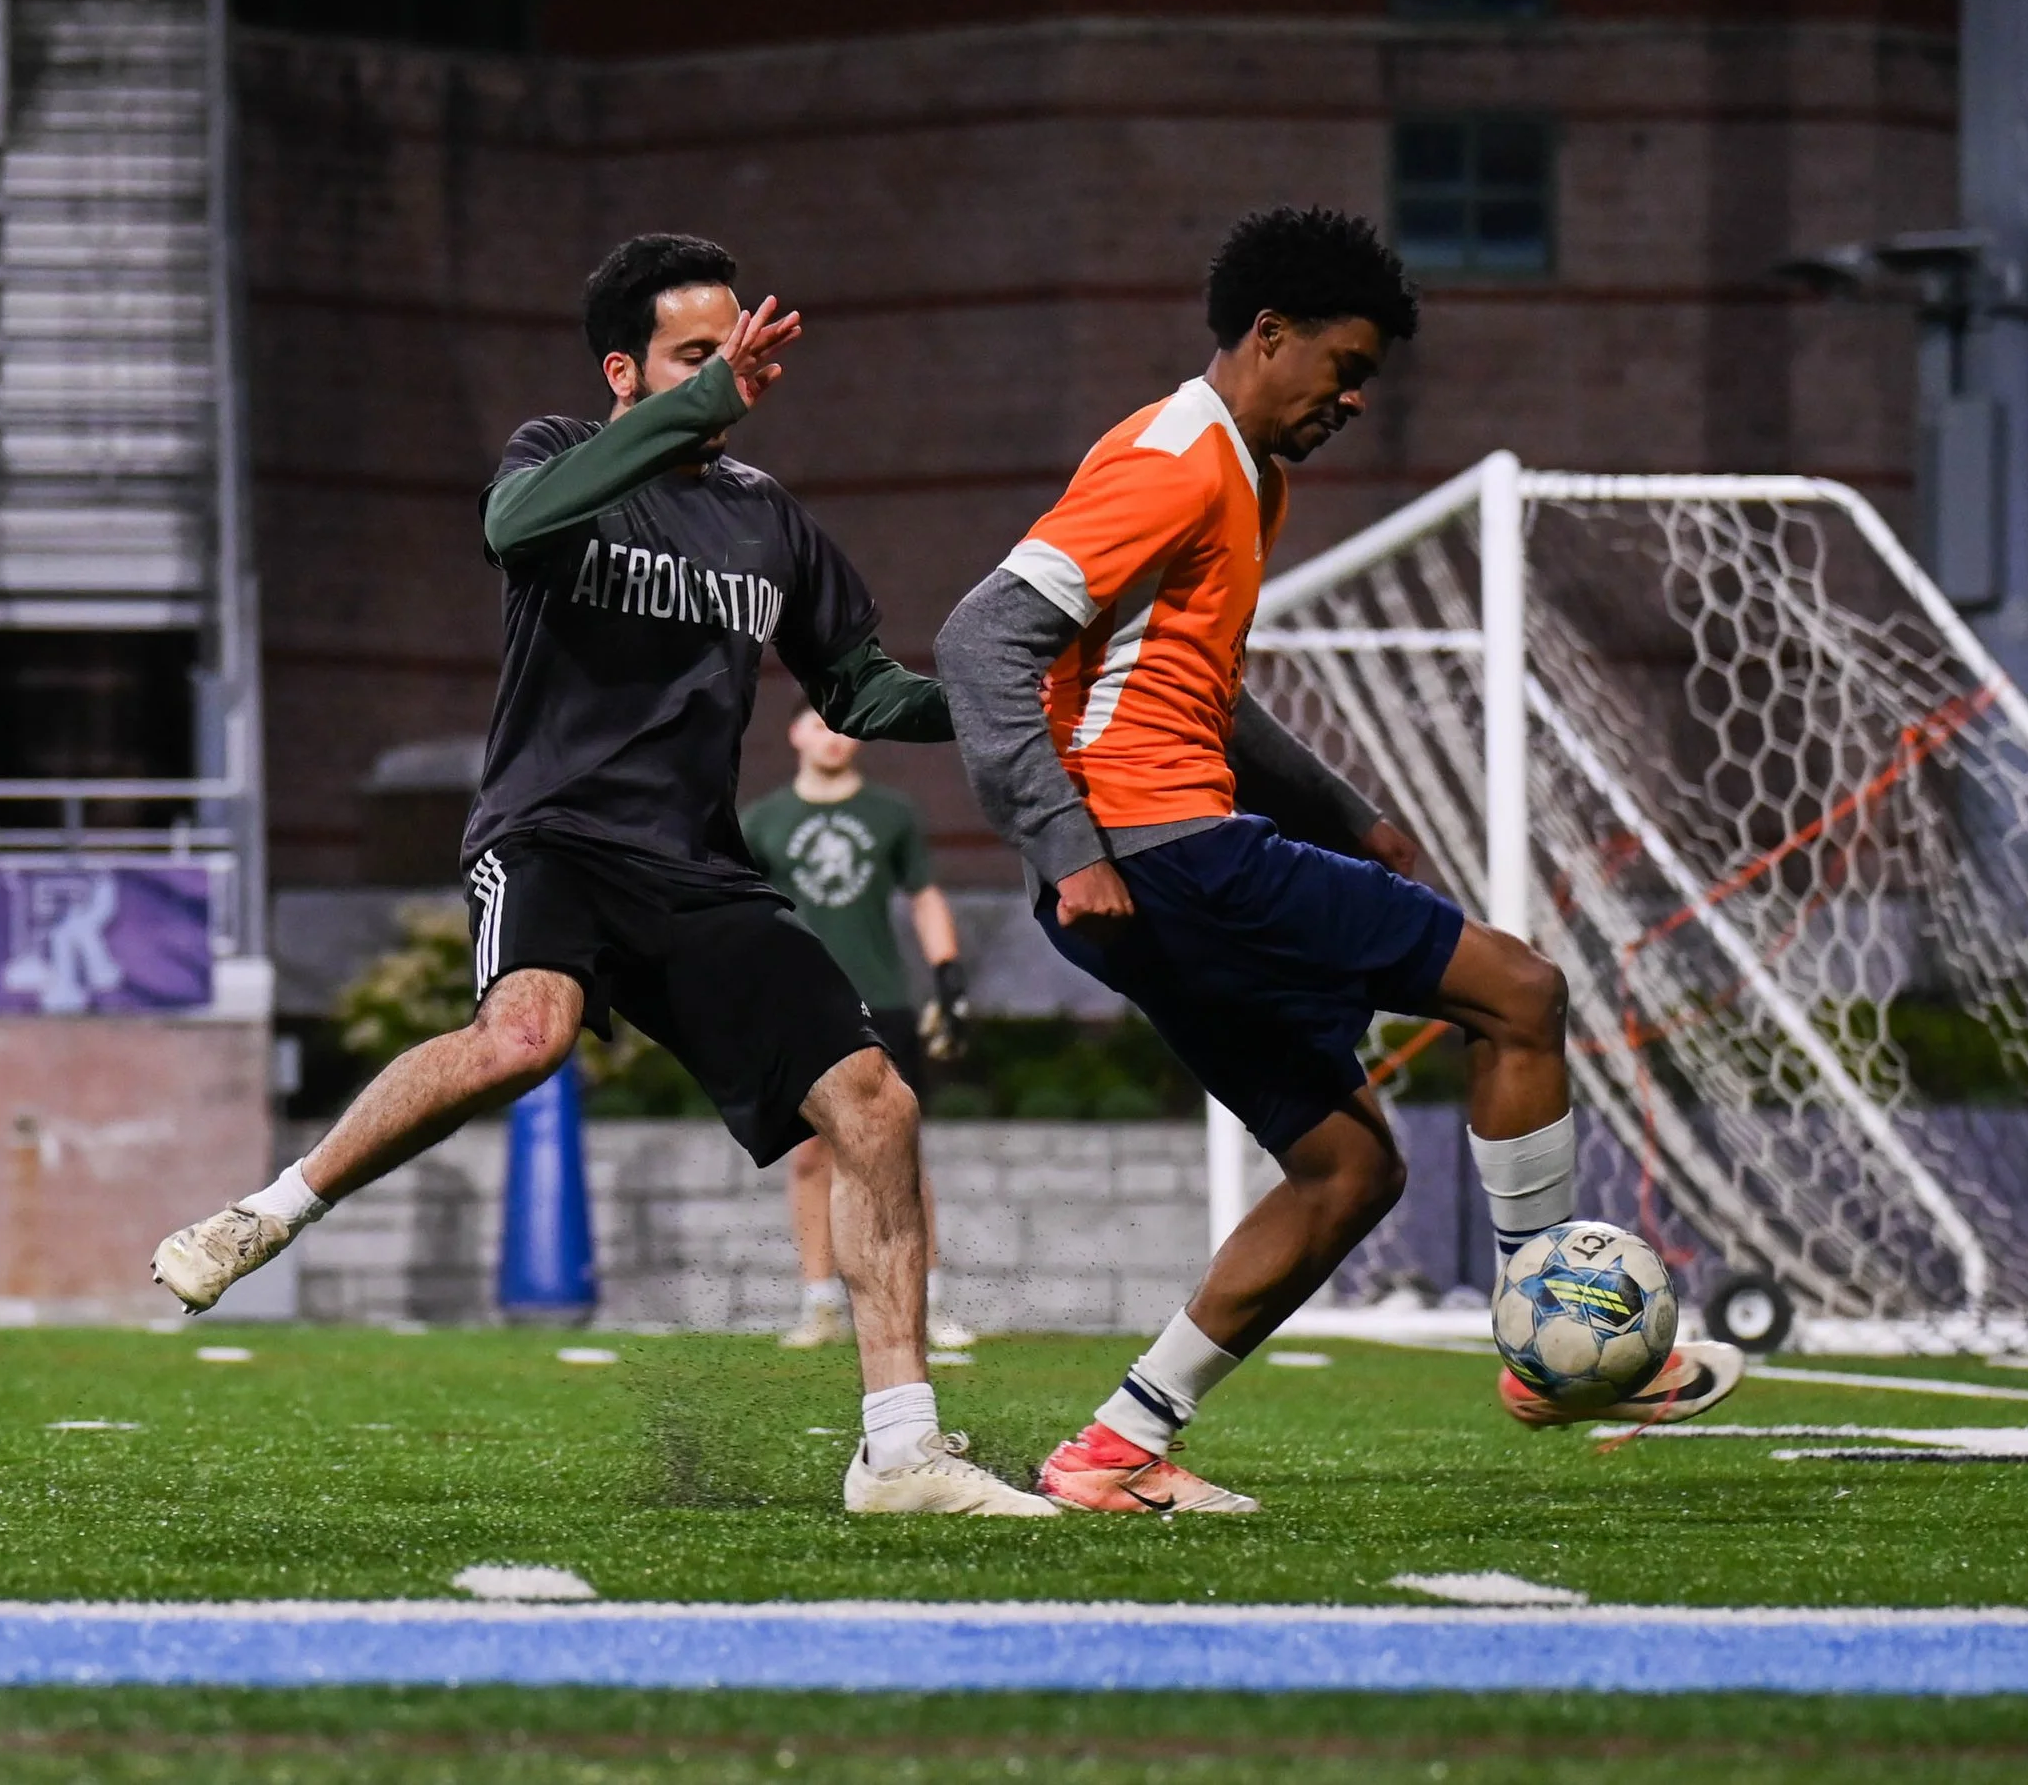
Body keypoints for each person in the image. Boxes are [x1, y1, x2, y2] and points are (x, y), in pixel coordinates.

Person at [153, 232, 1054, 1519]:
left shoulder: (770, 520)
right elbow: (509, 527)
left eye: (744, 346)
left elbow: (861, 689)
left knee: (877, 1106)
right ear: (625, 372)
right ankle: (270, 1211)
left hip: (695, 865)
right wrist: (701, 401)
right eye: (702, 353)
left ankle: (901, 1452)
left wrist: (1014, 699)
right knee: (526, 1036)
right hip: (554, 834)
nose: (738, 369)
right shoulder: (552, 461)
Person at [936, 205, 1744, 1516]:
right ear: (1269, 336)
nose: (1356, 397)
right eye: (1345, 367)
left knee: (1349, 1167)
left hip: (1153, 867)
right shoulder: (1174, 457)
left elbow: (1202, 693)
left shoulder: (1248, 473)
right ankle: (1554, 1353)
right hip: (1171, 854)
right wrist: (1064, 843)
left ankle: (1113, 1453)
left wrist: (1346, 810)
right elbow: (982, 639)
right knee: (1522, 991)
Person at [742, 706, 976, 1353]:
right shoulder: (761, 821)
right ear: (794, 734)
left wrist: (948, 974)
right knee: (810, 1153)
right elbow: (742, 916)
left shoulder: (892, 813)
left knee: (899, 1154)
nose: (832, 738)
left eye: (842, 726)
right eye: (818, 725)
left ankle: (927, 1305)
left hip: (884, 999)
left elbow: (924, 896)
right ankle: (819, 1304)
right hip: (801, 1003)